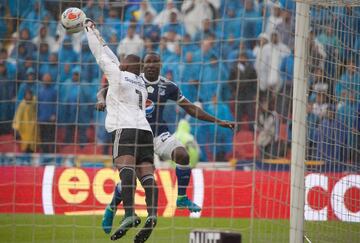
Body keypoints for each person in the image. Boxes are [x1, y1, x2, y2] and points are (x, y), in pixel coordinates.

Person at [97, 52, 234, 234]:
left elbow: (191, 109)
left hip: (158, 135)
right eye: (148, 62)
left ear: (161, 64)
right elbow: (103, 91)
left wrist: (219, 121)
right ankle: (112, 208)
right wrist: (100, 101)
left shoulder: (168, 86)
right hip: (136, 135)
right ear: (143, 65)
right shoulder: (132, 79)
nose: (151, 65)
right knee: (131, 179)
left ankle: (182, 197)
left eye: (155, 62)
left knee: (183, 155)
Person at [84, 19, 157, 242]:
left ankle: (129, 213)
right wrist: (99, 32)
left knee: (125, 168)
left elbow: (100, 54)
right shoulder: (140, 84)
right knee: (146, 174)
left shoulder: (117, 75)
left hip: (124, 130)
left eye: (122, 61)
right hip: (145, 132)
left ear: (124, 65)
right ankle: (152, 214)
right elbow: (111, 54)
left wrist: (88, 30)